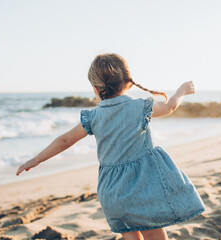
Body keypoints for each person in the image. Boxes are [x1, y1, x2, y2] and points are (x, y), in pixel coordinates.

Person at [16, 53, 206, 240]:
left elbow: (64, 141)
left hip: (113, 191)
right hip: (143, 186)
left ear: (96, 88)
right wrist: (181, 91)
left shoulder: (93, 117)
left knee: (130, 235)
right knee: (154, 232)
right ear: (129, 82)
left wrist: (35, 159)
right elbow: (170, 107)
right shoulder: (140, 107)